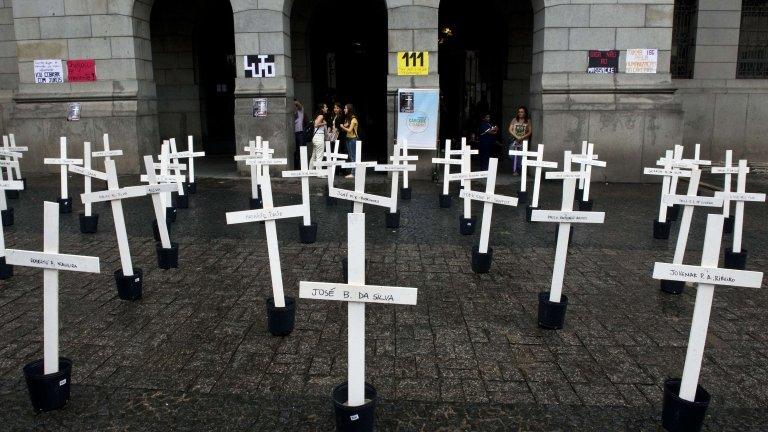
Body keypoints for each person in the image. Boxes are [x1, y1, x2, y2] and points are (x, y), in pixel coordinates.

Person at [507, 106, 532, 175]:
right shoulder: (514, 120)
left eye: (522, 112)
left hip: (523, 141)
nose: (520, 113)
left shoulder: (528, 121)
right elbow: (510, 129)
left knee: (521, 156)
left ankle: (517, 170)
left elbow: (530, 131)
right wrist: (516, 136)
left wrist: (522, 137)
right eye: (519, 112)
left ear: (525, 113)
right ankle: (517, 168)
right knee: (511, 155)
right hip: (514, 140)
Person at [340, 103, 358, 178]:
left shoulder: (353, 119)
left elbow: (350, 130)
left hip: (353, 139)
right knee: (351, 156)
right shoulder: (348, 119)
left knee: (353, 156)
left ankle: (353, 173)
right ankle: (353, 172)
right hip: (348, 138)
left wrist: (342, 126)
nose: (344, 109)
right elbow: (344, 129)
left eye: (345, 108)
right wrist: (344, 126)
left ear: (349, 109)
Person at [309, 103, 328, 169]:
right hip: (319, 137)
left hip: (315, 137)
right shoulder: (321, 116)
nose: (327, 108)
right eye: (325, 107)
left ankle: (310, 171)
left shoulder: (318, 116)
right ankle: (319, 173)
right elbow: (316, 125)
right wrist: (324, 123)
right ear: (322, 109)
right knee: (319, 156)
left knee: (314, 155)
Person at [293, 100, 308, 169]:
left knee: (301, 149)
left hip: (300, 133)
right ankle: (296, 167)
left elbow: (299, 105)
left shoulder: (300, 112)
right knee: (296, 151)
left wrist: (293, 102)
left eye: (295, 106)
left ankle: (302, 167)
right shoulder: (292, 114)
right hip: (293, 134)